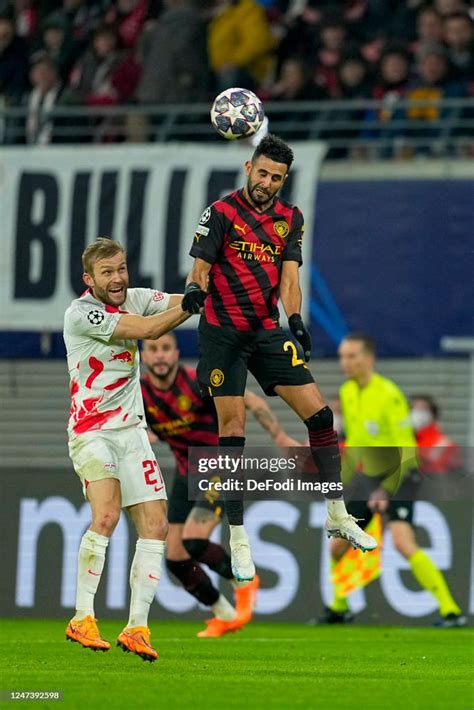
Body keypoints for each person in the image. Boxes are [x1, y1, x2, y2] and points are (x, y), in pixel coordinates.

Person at [181, 133, 377, 584]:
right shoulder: (221, 212)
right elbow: (201, 269)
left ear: (284, 180)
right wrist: (194, 289)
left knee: (321, 415)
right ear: (249, 168)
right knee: (232, 431)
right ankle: (238, 538)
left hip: (266, 331)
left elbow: (290, 278)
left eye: (277, 178)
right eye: (263, 173)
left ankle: (336, 512)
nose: (267, 183)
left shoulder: (291, 218)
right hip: (222, 333)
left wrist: (296, 319)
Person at [63, 237, 193, 661]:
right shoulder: (83, 313)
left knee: (156, 526)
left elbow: (176, 298)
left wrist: (210, 287)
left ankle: (137, 627)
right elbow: (149, 330)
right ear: (89, 279)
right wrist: (196, 302)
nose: (117, 278)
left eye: (121, 268)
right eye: (107, 272)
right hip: (91, 430)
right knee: (106, 513)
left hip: (132, 431)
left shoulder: (134, 296)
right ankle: (82, 616)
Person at [141, 333, 294, 636]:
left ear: (175, 353)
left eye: (166, 349)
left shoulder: (198, 381)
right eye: (153, 349)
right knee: (175, 559)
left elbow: (250, 401)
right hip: (186, 473)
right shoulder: (140, 393)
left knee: (194, 541)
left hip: (218, 467)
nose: (160, 356)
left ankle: (243, 580)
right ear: (144, 356)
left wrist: (279, 437)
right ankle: (223, 613)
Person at [321, 332, 466, 627]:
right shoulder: (348, 392)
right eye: (342, 356)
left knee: (402, 542)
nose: (345, 362)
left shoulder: (389, 394)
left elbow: (408, 449)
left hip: (400, 473)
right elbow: (356, 444)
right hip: (368, 475)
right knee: (337, 544)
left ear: (369, 358)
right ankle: (340, 607)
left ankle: (450, 610)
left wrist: (386, 491)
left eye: (352, 356)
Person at [410, 394, 463, 474]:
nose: (417, 413)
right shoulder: (405, 439)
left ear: (432, 414)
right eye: (413, 408)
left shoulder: (444, 443)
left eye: (422, 409)